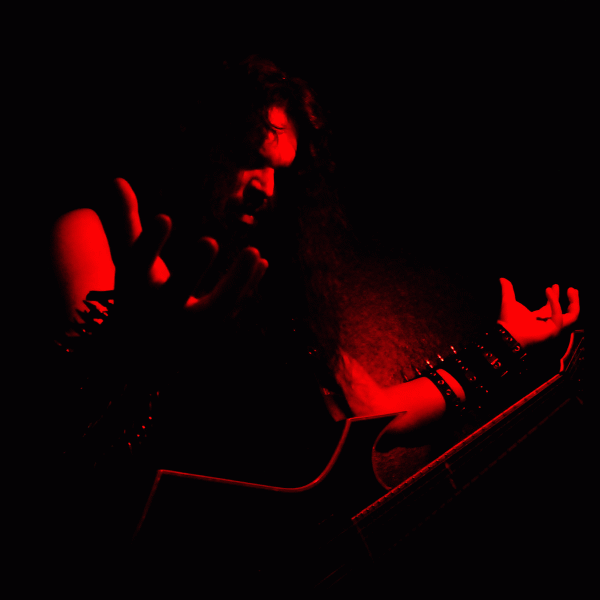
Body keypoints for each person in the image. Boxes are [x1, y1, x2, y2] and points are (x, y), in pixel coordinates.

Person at [48, 55, 580, 543]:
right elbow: (68, 438)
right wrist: (141, 347)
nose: (266, 189)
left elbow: (376, 414)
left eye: (280, 173)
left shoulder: (273, 287)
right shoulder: (94, 233)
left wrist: (504, 344)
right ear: (200, 145)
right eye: (249, 159)